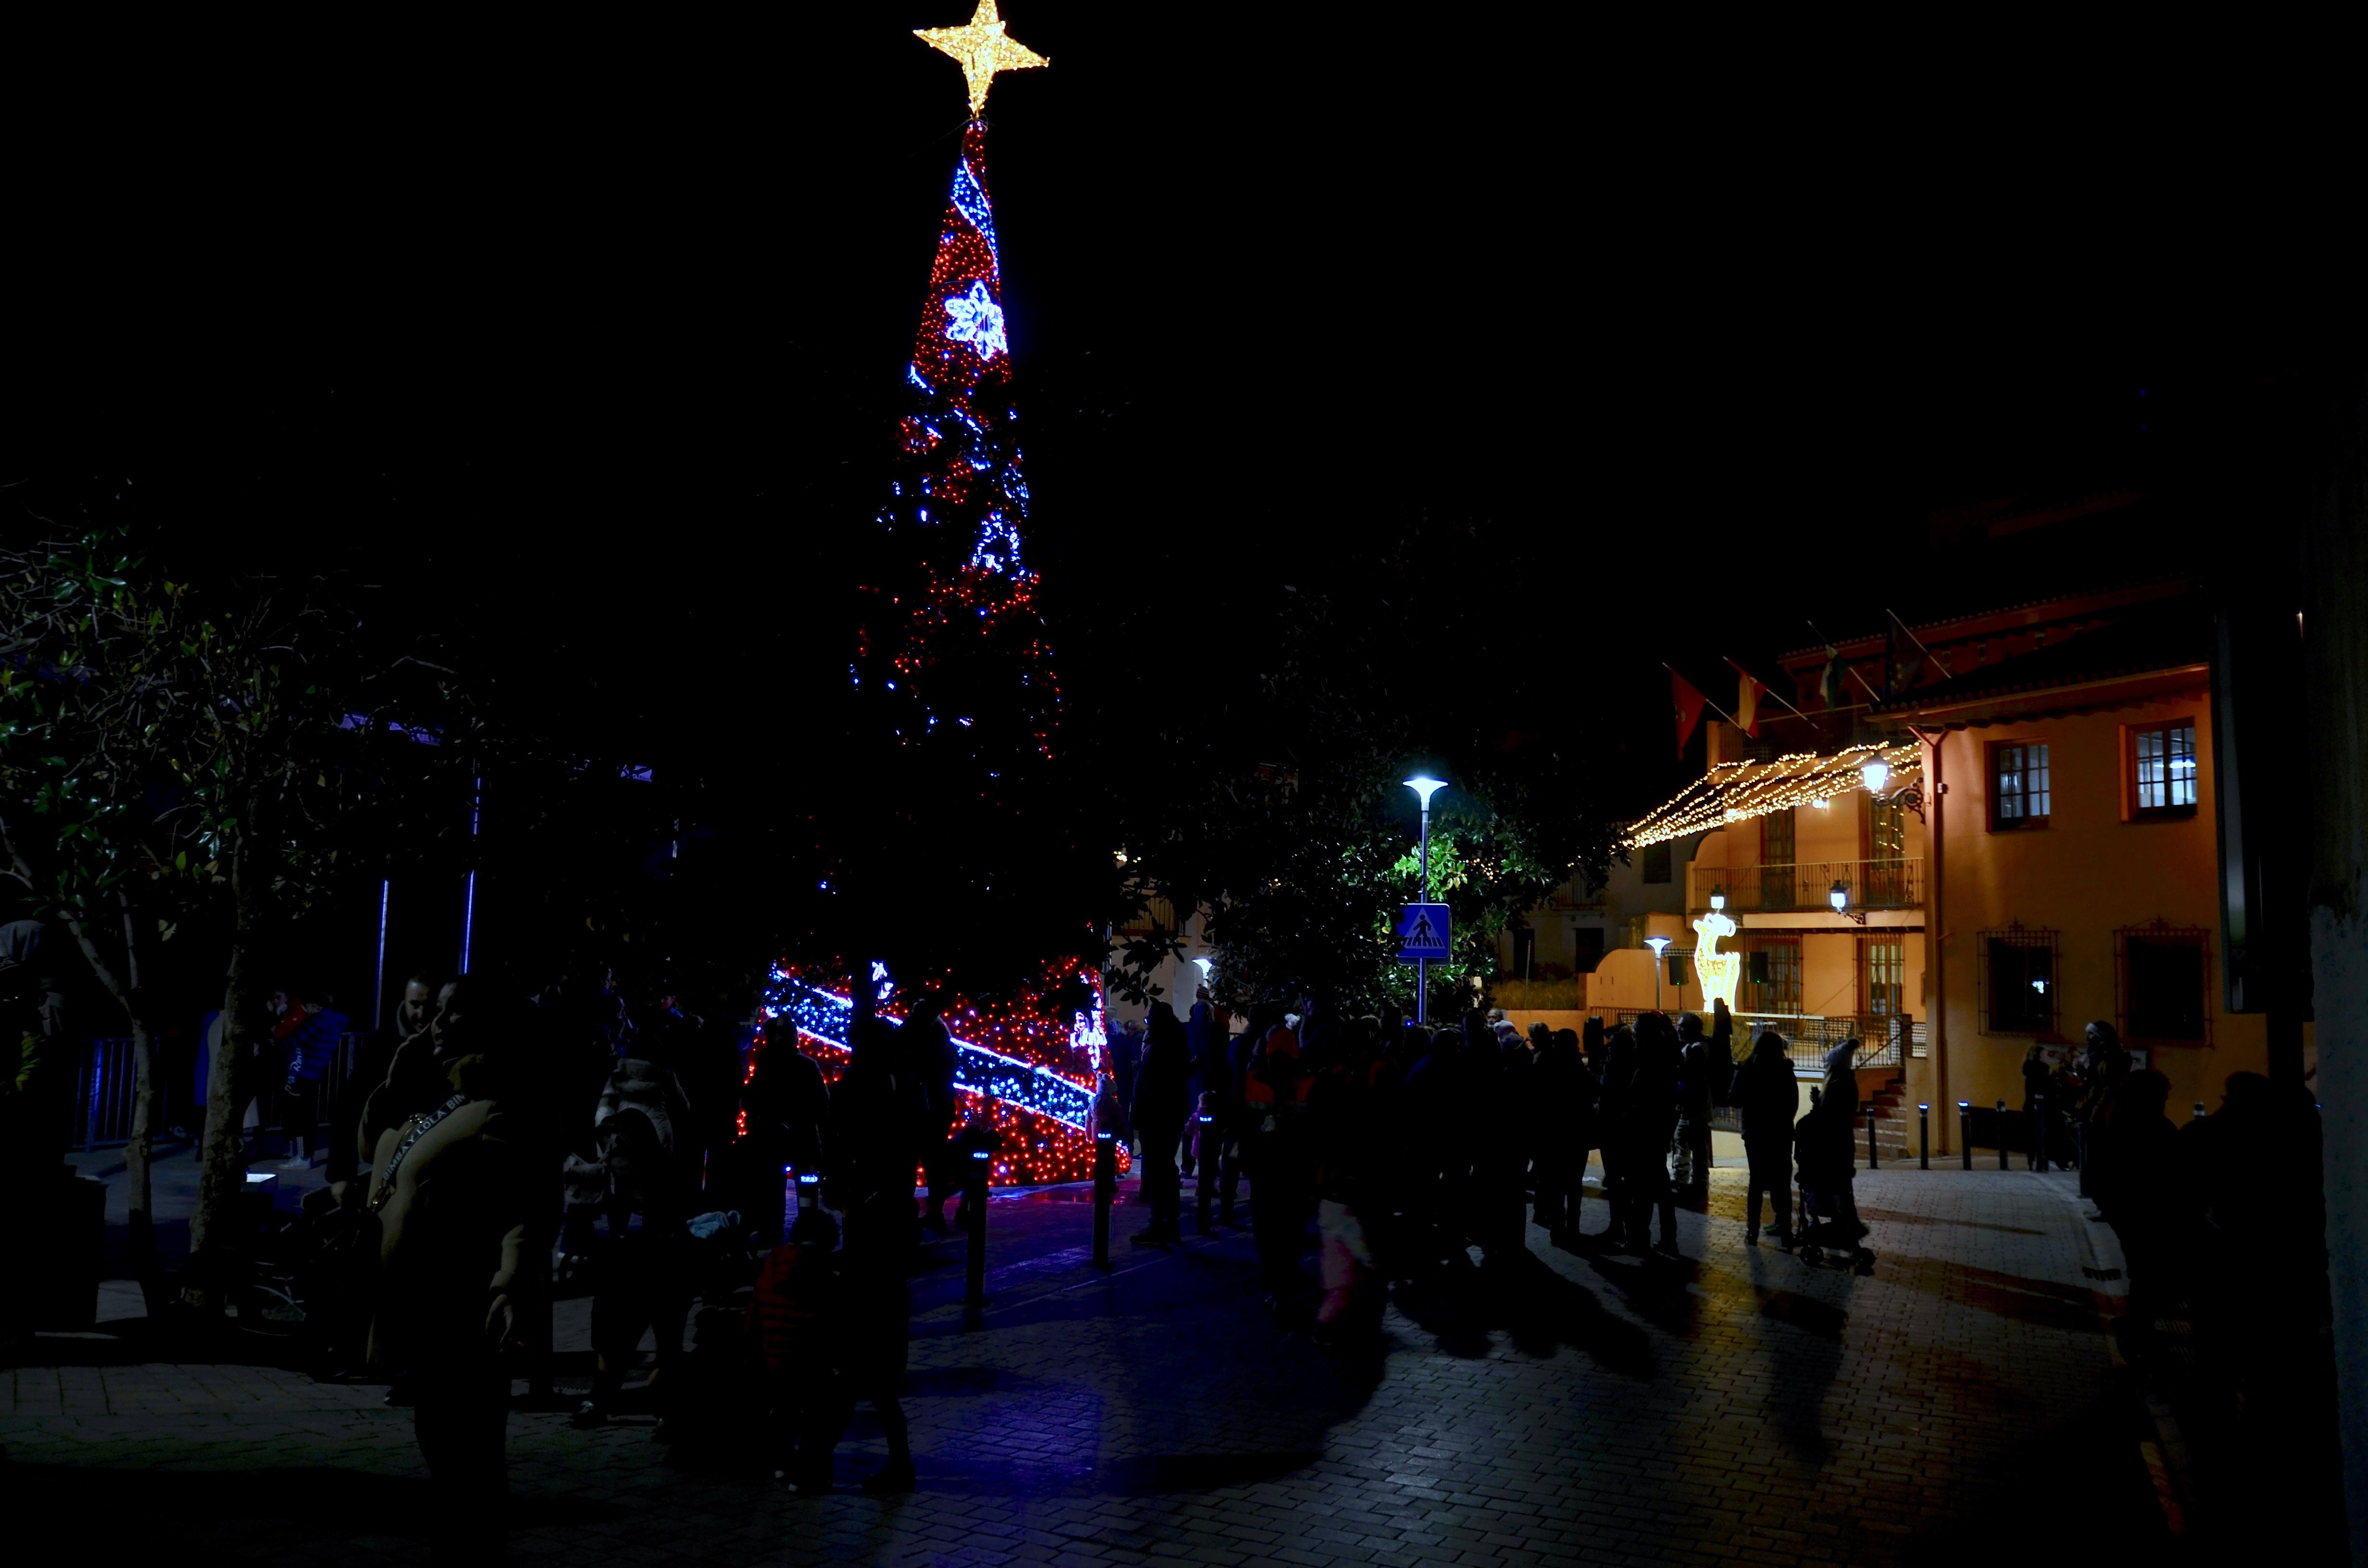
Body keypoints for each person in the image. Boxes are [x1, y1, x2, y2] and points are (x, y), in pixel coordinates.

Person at [360, 977, 534, 1562]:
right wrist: (396, 1080)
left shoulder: (499, 1106)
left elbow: (527, 1206)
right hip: (423, 1307)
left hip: (464, 1308)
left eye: (454, 1013)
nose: (436, 1023)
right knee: (440, 1444)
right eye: (434, 1012)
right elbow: (377, 1153)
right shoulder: (437, 1102)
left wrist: (509, 1283)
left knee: (470, 1455)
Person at [2092, 1068, 2181, 1358]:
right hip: (2148, 1209)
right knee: (2151, 1270)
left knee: (2142, 1267)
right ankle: (2139, 1331)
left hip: (2123, 1207)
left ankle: (2137, 1325)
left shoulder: (2117, 1120)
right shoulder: (2157, 1127)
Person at [750, 1206, 841, 1485]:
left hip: (774, 1357)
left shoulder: (770, 1270)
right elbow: (834, 1323)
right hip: (810, 1359)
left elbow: (753, 1318)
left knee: (784, 1409)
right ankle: (806, 1475)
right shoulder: (826, 1277)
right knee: (818, 1414)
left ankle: (779, 1463)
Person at [333, 975, 437, 1199]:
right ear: (404, 1001)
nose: (421, 1014)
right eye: (415, 1005)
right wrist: (341, 1174)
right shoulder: (382, 1046)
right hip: (388, 1162)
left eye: (428, 1006)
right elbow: (350, 1105)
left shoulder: (449, 1044)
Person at [1793, 1041, 1873, 1273]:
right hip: (1839, 1150)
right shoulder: (1846, 1083)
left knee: (1832, 1192)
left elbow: (1828, 1121)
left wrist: (1817, 1107)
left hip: (1830, 1152)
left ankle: (1838, 1232)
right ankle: (1844, 1232)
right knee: (1840, 1191)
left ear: (1834, 1066)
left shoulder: (1838, 1085)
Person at [1622, 1014, 1684, 1258]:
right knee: (1658, 1187)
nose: (1634, 1034)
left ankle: (1640, 1240)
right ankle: (1666, 1239)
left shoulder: (1651, 1060)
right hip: (1656, 1132)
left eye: (1637, 1030)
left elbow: (1636, 1095)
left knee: (1643, 1190)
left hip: (1647, 1132)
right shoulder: (1665, 1056)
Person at [1130, 1001, 1192, 1246]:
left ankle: (1159, 1224)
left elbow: (1150, 1086)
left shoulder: (1160, 1048)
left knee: (1159, 1170)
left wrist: (1139, 1114)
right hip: (1170, 1115)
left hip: (1158, 1116)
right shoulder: (1176, 1044)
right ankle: (1170, 1224)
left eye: (1149, 1020)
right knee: (1166, 1169)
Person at [1733, 1031, 1799, 1248]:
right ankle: (1786, 1231)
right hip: (1780, 1134)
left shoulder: (1747, 1069)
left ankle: (1753, 1231)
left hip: (1755, 1133)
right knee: (1782, 1183)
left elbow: (1734, 1098)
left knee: (1757, 1182)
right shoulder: (1786, 1071)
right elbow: (1792, 1104)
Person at [1673, 1013, 1714, 1200]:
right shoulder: (1698, 1046)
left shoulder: (1697, 1050)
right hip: (1695, 1106)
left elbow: (1687, 1074)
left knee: (1690, 1144)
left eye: (1682, 1026)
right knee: (1692, 1145)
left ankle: (1690, 1183)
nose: (1678, 1029)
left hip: (1695, 1107)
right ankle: (1693, 1182)